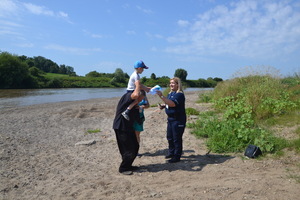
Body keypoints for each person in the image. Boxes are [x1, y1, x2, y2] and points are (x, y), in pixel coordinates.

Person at [113, 83, 146, 175]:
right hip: (120, 127)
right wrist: (138, 84)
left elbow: (138, 120)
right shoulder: (126, 98)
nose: (141, 100)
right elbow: (135, 94)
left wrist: (139, 110)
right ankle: (123, 168)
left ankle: (129, 165)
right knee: (128, 149)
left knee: (135, 146)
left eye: (142, 99)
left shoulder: (135, 106)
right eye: (140, 98)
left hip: (129, 128)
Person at [156, 77, 186, 163]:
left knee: (177, 138)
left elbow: (173, 104)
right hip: (170, 119)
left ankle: (177, 156)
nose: (171, 85)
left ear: (177, 84)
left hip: (178, 120)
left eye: (173, 83)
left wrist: (161, 96)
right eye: (170, 83)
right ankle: (171, 152)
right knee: (170, 137)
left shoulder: (179, 94)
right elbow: (169, 103)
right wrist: (164, 105)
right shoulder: (171, 93)